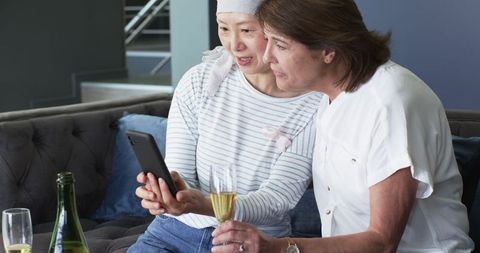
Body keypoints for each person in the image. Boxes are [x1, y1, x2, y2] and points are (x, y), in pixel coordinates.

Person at [211, 0, 475, 252]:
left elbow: (382, 243)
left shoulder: (390, 104)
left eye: (280, 45)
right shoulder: (327, 97)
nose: (267, 57)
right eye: (267, 41)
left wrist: (278, 248)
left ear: (328, 50)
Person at [127, 0, 324, 252]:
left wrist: (204, 205)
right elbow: (180, 171)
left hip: (251, 241)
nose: (234, 45)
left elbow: (277, 199)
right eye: (224, 28)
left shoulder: (313, 104)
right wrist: (168, 195)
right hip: (173, 232)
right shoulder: (199, 82)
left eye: (247, 30)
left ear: (280, 30)